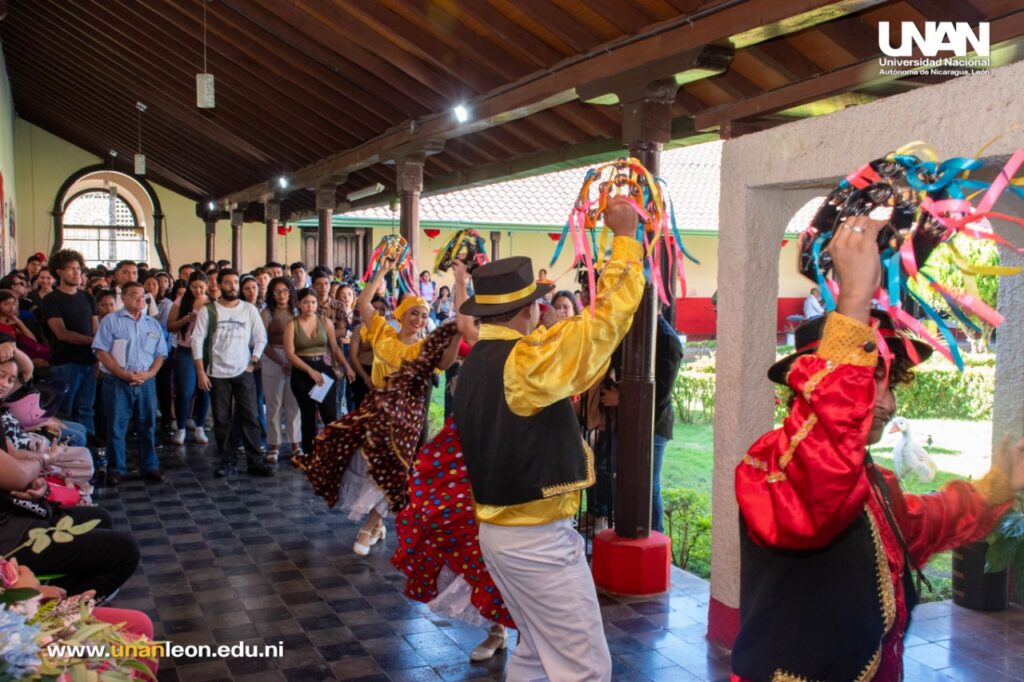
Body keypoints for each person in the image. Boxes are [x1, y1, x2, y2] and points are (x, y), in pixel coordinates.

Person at [732, 213, 1024, 681]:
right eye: (870, 380)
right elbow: (819, 481)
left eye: (891, 383)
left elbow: (921, 525)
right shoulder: (770, 466)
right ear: (813, 383)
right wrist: (852, 302)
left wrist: (995, 487)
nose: (887, 401)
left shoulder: (874, 478)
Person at [453, 198, 643, 681]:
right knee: (585, 668)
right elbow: (603, 326)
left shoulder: (478, 359)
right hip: (535, 540)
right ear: (531, 308)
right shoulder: (525, 361)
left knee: (537, 655)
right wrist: (626, 241)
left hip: (502, 535)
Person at [341, 263, 459, 555]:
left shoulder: (425, 347)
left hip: (409, 415)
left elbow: (444, 365)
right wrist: (382, 271)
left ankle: (371, 524)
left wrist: (456, 335)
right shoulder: (382, 333)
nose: (419, 318)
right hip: (379, 409)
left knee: (393, 469)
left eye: (423, 314)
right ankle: (378, 524)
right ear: (401, 315)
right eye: (414, 313)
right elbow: (363, 303)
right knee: (373, 466)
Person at [191, 269, 273, 477]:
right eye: (227, 283)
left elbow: (261, 337)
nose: (233, 286)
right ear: (218, 285)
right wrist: (201, 372)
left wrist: (253, 361)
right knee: (222, 419)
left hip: (243, 371)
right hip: (217, 374)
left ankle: (255, 460)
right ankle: (227, 462)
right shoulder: (208, 311)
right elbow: (197, 341)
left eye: (235, 282)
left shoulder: (248, 310)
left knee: (251, 417)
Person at [92, 282, 168, 485]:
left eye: (143, 295)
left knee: (147, 425)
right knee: (117, 426)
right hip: (117, 382)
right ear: (123, 298)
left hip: (145, 383)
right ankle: (116, 468)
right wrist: (121, 373)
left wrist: (150, 374)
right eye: (134, 294)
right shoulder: (111, 321)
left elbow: (161, 354)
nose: (140, 299)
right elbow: (101, 351)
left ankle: (150, 466)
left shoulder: (152, 324)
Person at [284, 288, 355, 457]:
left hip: (324, 368)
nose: (310, 306)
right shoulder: (292, 324)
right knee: (308, 415)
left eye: (313, 302)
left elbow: (335, 348)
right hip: (302, 370)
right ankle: (310, 454)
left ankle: (331, 451)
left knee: (329, 412)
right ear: (299, 304)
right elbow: (290, 354)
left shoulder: (325, 322)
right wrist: (309, 370)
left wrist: (348, 367)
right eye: (306, 302)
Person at [40, 250, 98, 440]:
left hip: (89, 361)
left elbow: (95, 329)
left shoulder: (88, 297)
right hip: (66, 363)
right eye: (71, 269)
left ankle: (89, 453)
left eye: (78, 269)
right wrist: (92, 341)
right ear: (59, 271)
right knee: (65, 409)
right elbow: (61, 333)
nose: (76, 273)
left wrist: (98, 356)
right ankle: (67, 450)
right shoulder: (51, 299)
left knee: (86, 409)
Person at [167, 272, 211, 446]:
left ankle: (200, 426)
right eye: (194, 287)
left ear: (207, 286)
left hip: (207, 352)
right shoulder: (181, 302)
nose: (198, 290)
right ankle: (181, 427)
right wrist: (185, 320)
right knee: (185, 390)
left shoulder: (212, 303)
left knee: (205, 389)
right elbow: (170, 326)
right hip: (186, 350)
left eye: (201, 287)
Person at [261, 277, 301, 462]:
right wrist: (281, 361)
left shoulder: (297, 311)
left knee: (293, 404)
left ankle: (295, 444)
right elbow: (263, 342)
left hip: (295, 358)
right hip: (272, 358)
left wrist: (293, 360)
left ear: (290, 292)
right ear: (271, 294)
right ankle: (274, 445)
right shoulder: (266, 313)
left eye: (285, 291)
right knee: (274, 403)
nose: (281, 295)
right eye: (277, 291)